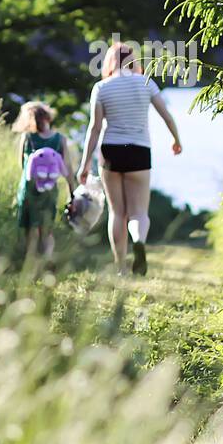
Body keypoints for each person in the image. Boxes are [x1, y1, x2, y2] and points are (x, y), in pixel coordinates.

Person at [78, 42, 182, 274]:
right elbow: (166, 115)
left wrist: (85, 164)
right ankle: (139, 241)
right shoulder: (146, 83)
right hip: (139, 150)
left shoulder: (102, 87)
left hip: (111, 151)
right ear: (133, 60)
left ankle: (120, 268)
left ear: (110, 62)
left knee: (117, 212)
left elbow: (94, 128)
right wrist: (176, 140)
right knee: (138, 212)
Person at [13, 101, 74, 260]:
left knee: (29, 226)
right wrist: (72, 192)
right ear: (47, 117)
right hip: (50, 189)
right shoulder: (60, 139)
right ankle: (46, 258)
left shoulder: (27, 138)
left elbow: (22, 165)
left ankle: (30, 261)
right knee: (46, 227)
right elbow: (67, 168)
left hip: (29, 188)